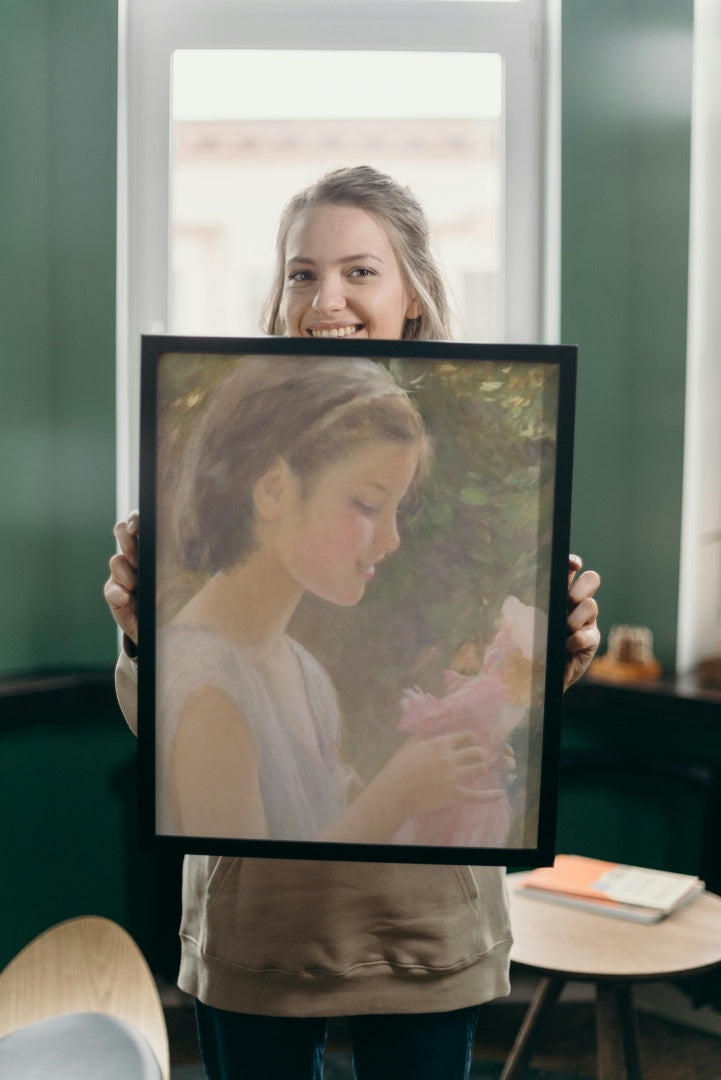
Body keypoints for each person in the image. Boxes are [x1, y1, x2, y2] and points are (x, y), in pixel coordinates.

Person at [105, 165, 601, 1080]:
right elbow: (178, 745)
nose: (324, 297)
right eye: (301, 272)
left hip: (422, 931)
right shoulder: (229, 643)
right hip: (264, 939)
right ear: (270, 489)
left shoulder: (300, 666)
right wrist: (144, 640)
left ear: (413, 292)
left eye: (359, 271)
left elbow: (494, 737)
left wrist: (550, 665)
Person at [154, 354, 503, 842]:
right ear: (273, 490)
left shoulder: (303, 673)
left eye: (397, 509)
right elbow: (254, 897)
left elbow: (328, 832)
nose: (393, 537)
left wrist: (437, 767)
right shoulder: (209, 694)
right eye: (367, 504)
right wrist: (400, 791)